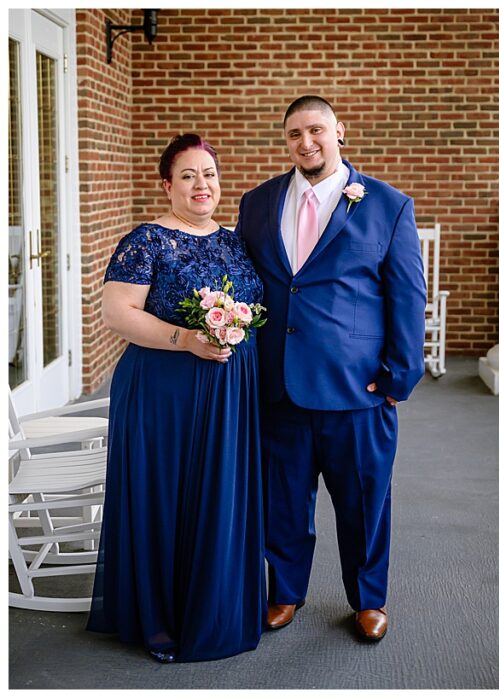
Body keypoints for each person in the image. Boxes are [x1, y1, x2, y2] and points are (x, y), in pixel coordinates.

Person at [236, 95, 426, 641]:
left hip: (358, 388)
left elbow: (407, 297)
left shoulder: (387, 204)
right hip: (280, 387)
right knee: (283, 500)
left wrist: (398, 377)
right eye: (294, 133)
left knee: (364, 502)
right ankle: (286, 592)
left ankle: (369, 599)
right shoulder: (257, 203)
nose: (306, 143)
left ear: (339, 131)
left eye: (315, 130)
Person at [88, 134, 265, 662]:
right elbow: (117, 313)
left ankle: (213, 604)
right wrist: (184, 338)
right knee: (165, 496)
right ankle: (160, 615)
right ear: (168, 185)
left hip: (230, 393)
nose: (201, 185)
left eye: (208, 174)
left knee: (219, 495)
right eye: (187, 175)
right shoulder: (146, 240)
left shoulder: (235, 241)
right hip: (164, 390)